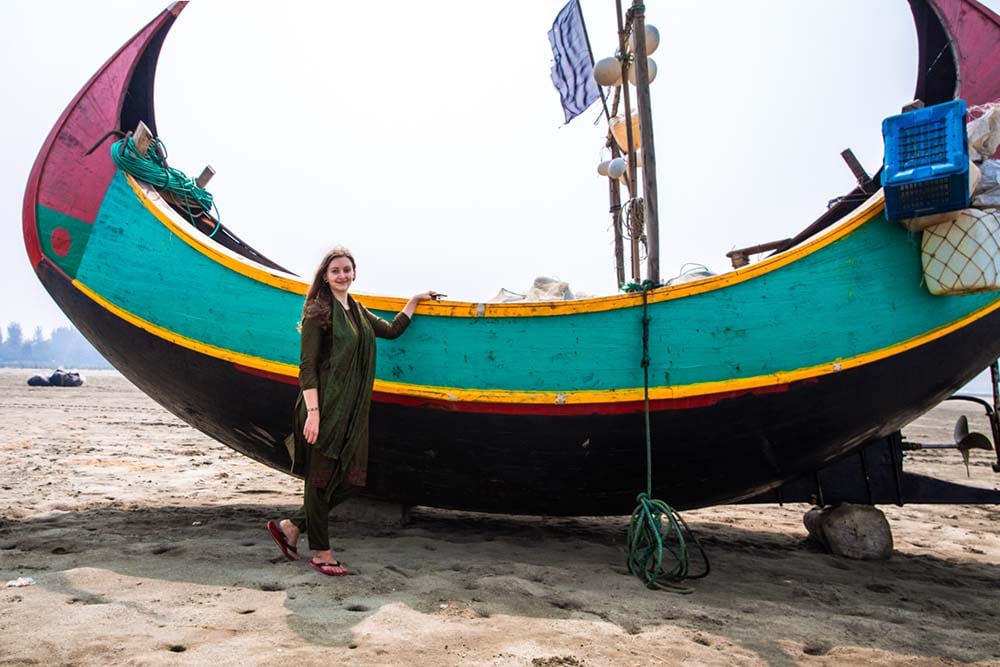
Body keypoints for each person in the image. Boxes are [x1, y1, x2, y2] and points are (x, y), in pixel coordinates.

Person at [267, 246, 440, 576]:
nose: (342, 275)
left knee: (351, 480)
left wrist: (415, 300)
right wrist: (314, 413)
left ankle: (291, 526)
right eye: (336, 271)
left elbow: (391, 331)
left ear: (354, 273)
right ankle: (321, 552)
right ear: (325, 276)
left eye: (347, 269)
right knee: (319, 481)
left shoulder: (358, 310)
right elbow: (307, 367)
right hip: (324, 409)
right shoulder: (319, 312)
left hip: (352, 411)